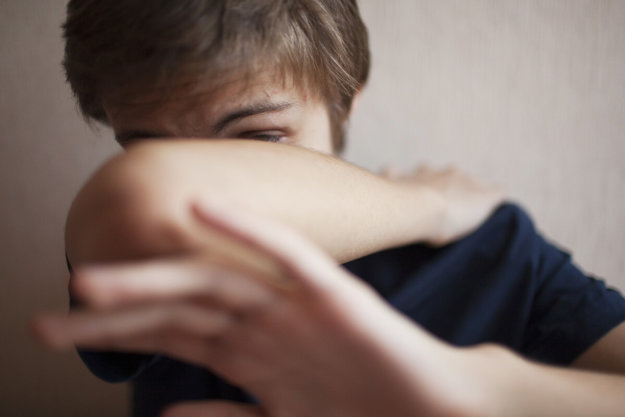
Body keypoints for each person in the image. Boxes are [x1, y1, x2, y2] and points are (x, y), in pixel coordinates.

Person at [33, 1, 625, 416]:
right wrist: (428, 204)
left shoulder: (494, 253)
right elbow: (147, 200)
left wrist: (484, 397)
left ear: (346, 106)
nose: (209, 188)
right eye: (150, 148)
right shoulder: (136, 243)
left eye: (257, 141)